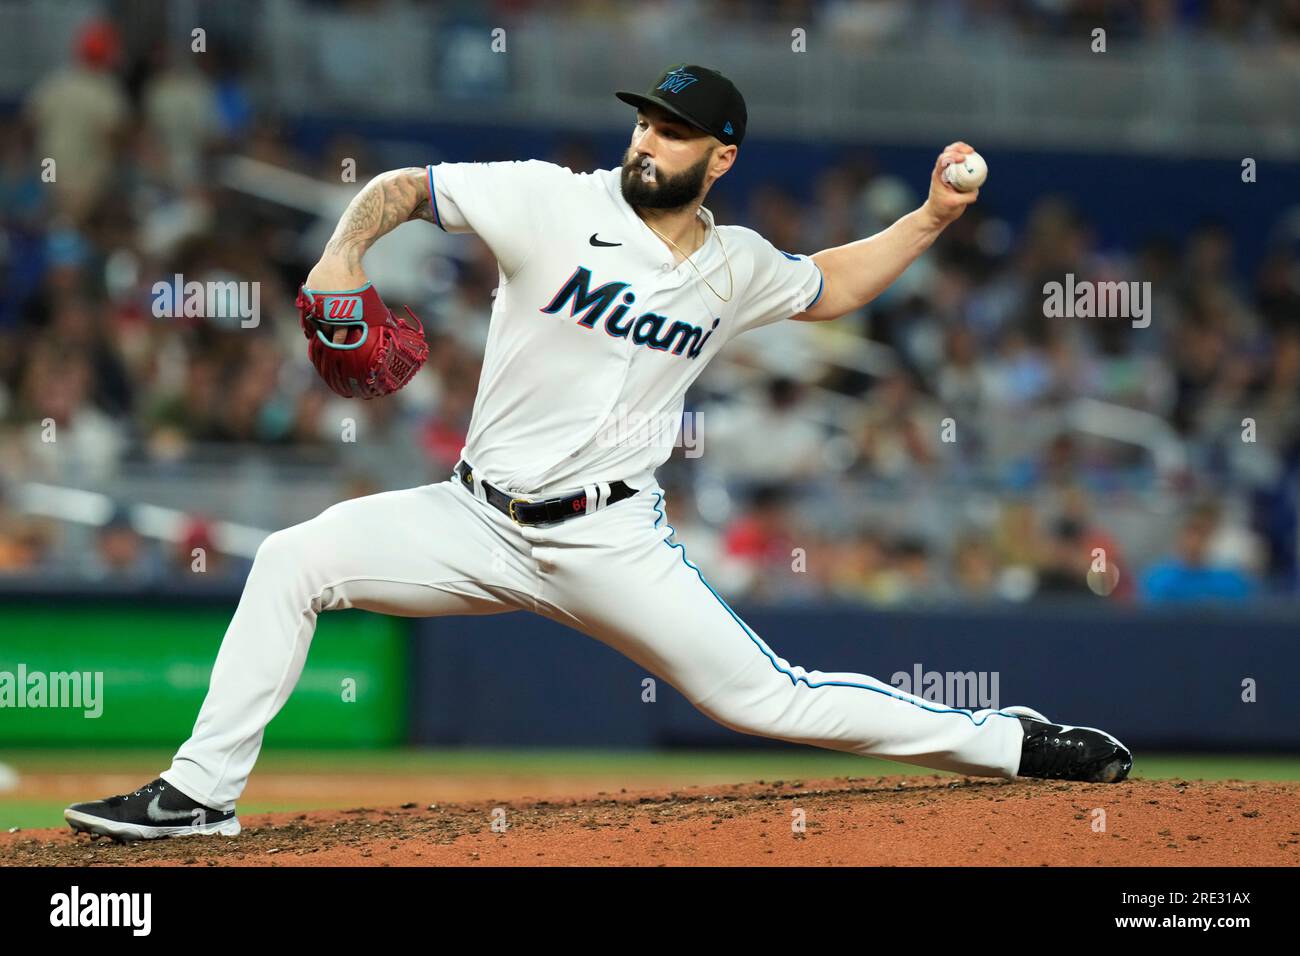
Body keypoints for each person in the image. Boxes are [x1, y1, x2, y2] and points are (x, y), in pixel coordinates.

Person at [66, 65, 1131, 841]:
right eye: (644, 121)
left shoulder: (737, 266)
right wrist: (344, 250)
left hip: (613, 539)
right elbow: (404, 188)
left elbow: (834, 282)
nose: (647, 141)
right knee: (294, 557)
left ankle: (1009, 741)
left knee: (768, 698)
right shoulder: (551, 197)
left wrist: (933, 216)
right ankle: (199, 793)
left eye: (673, 131)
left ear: (720, 157)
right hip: (472, 519)